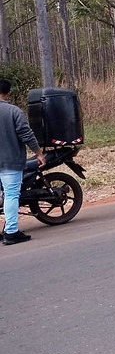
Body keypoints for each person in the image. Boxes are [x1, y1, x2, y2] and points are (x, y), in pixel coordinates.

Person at [0, 79, 46, 245]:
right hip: (10, 162)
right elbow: (26, 134)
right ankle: (11, 232)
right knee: (11, 195)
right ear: (8, 92)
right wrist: (39, 153)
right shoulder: (13, 111)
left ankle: (5, 230)